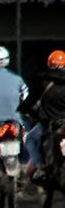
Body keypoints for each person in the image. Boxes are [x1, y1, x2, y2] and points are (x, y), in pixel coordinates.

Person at [28, 50, 65, 182]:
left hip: (50, 123)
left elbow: (33, 104)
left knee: (31, 138)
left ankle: (39, 165)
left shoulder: (45, 83)